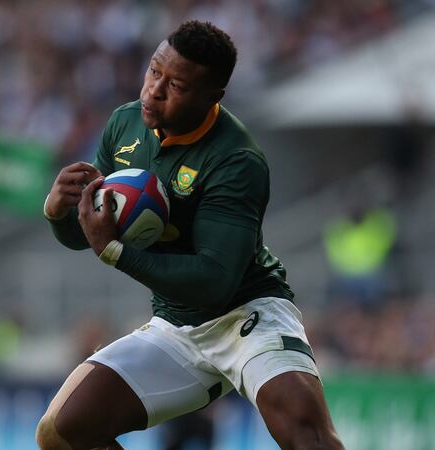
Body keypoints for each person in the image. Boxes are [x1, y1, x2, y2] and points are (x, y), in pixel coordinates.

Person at [37, 21, 344, 450]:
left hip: (245, 316)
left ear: (212, 96)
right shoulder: (125, 125)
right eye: (154, 71)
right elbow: (91, 230)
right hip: (175, 327)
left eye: (176, 85)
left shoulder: (236, 159)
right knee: (61, 431)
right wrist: (57, 212)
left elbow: (214, 280)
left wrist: (116, 253)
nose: (154, 90)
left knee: (308, 438)